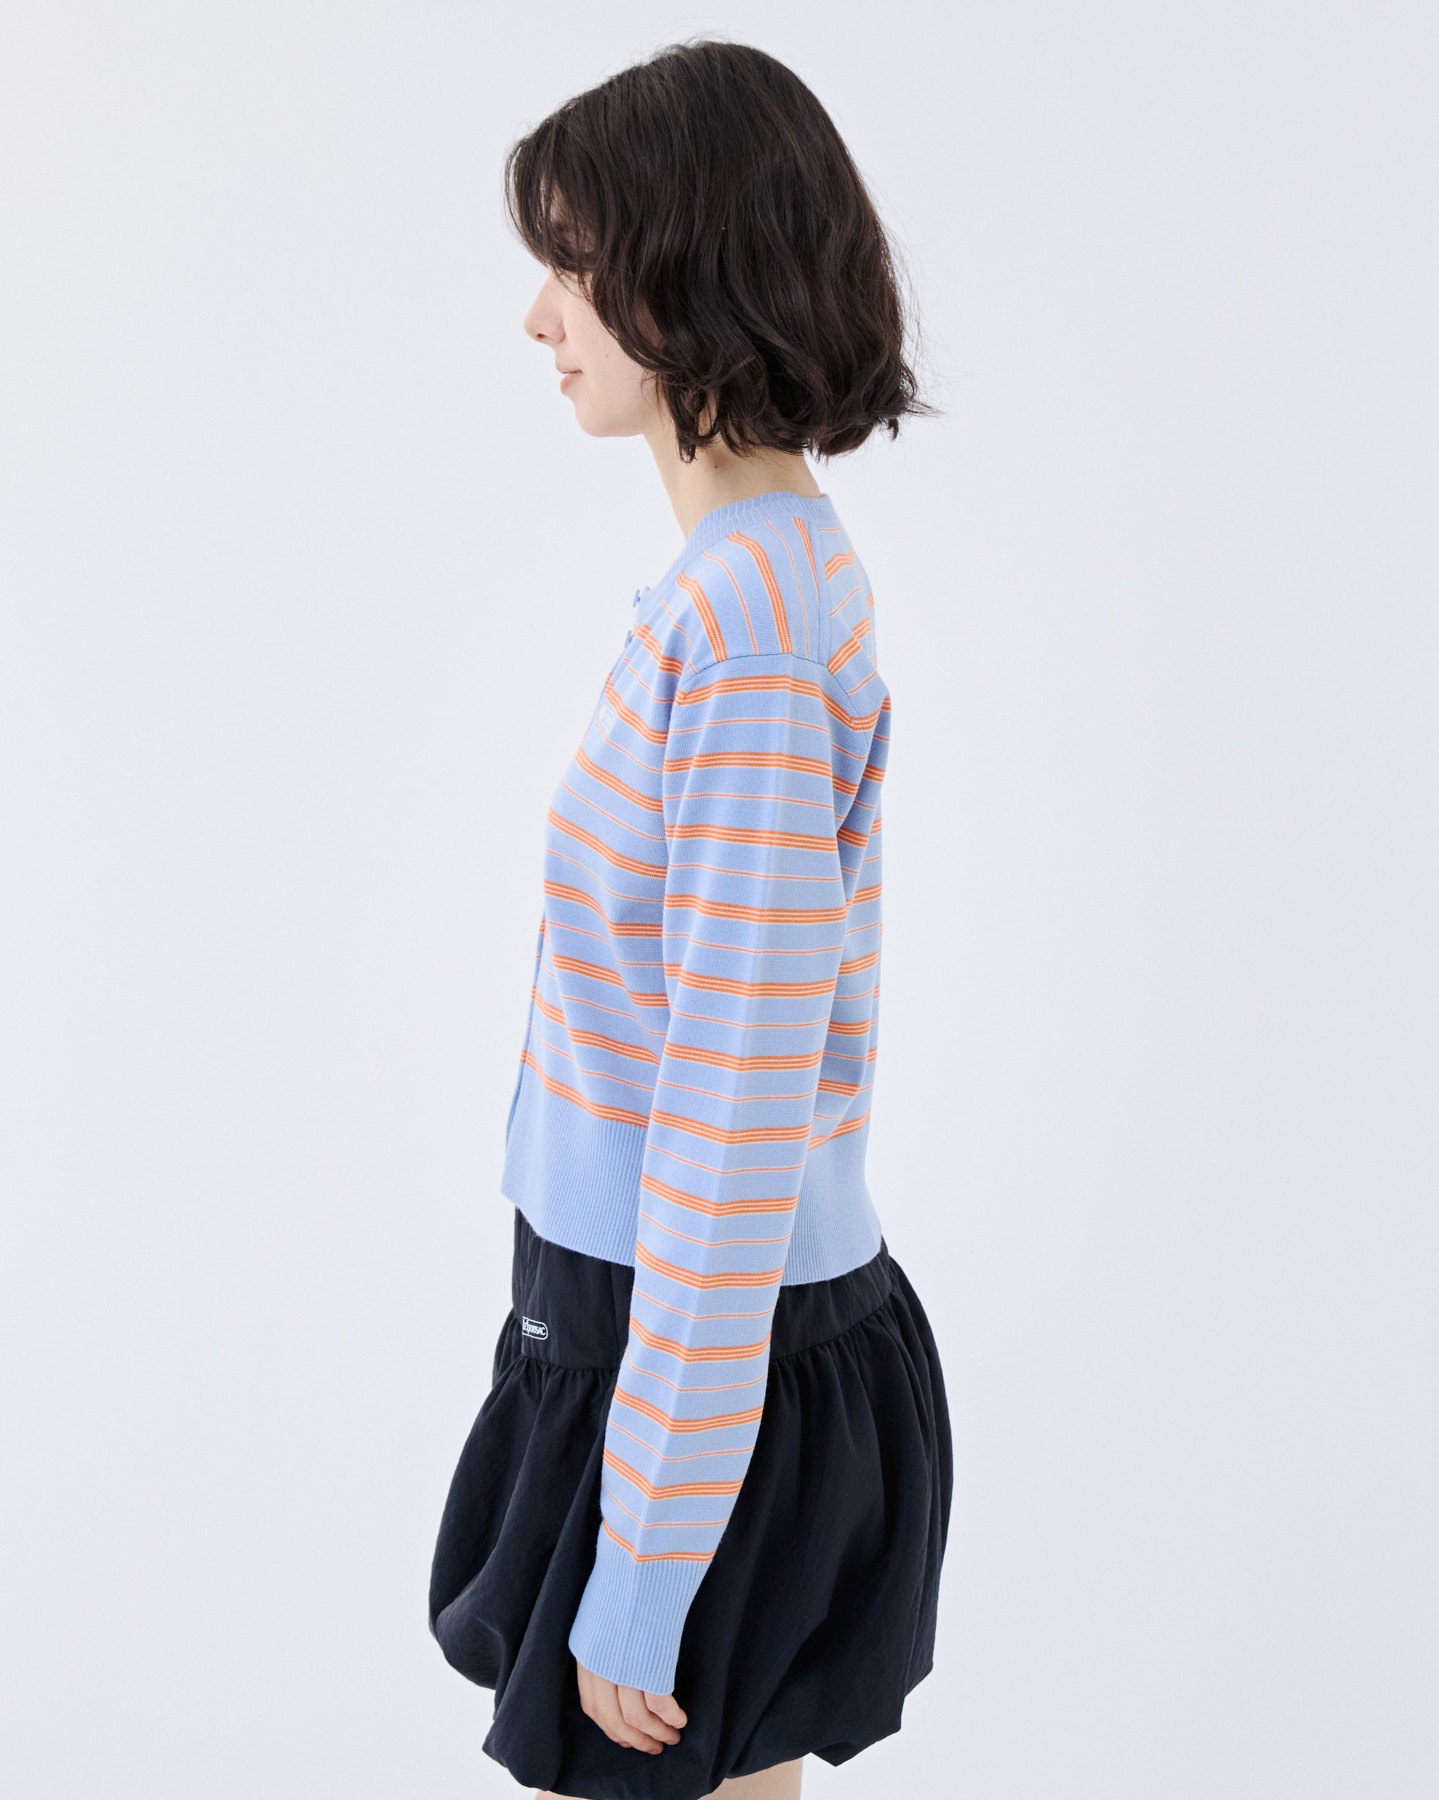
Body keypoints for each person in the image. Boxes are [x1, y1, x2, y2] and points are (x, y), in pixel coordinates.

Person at [428, 38, 954, 1800]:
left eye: (571, 264)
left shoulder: (747, 636)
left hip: (688, 1365)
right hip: (675, 1348)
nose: (539, 316)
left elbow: (731, 1124)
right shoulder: (757, 591)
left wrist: (647, 1570)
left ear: (683, 272)